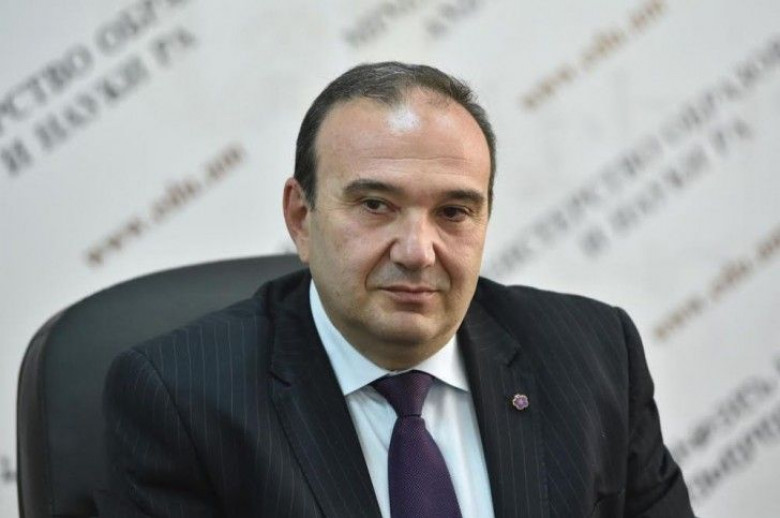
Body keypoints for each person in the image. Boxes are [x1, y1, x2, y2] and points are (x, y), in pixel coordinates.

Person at [98, 62, 696, 518]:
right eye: (376, 205)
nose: (417, 251)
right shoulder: (184, 400)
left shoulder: (595, 354)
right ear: (301, 217)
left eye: (454, 212)